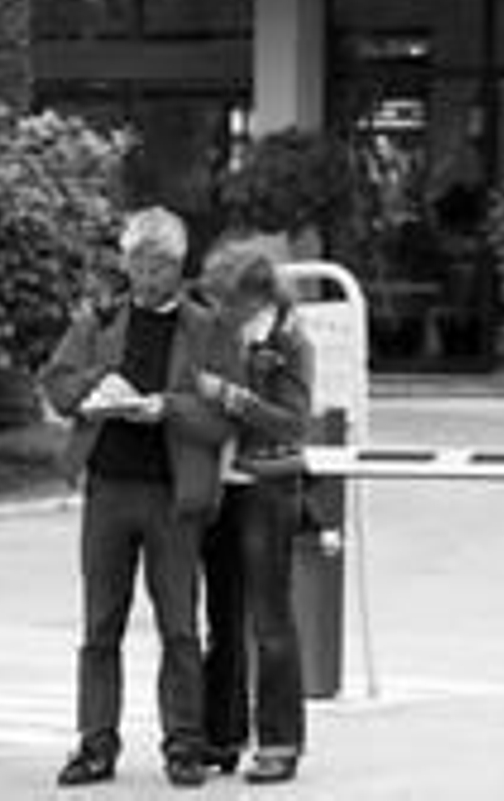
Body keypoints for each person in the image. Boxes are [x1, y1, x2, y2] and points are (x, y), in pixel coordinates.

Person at [39, 206, 238, 789]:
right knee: (101, 625)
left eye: (159, 267)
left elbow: (225, 415)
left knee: (179, 626)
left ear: (179, 267)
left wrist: (167, 409)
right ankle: (95, 743)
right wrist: (96, 387)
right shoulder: (99, 321)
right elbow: (57, 385)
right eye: (138, 265)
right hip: (108, 488)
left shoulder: (208, 329)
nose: (147, 278)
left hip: (172, 495)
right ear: (125, 263)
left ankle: (184, 744)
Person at [196, 238, 314, 785]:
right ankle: (221, 734)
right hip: (222, 487)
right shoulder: (221, 332)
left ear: (255, 295)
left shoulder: (289, 339)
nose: (219, 309)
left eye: (227, 300)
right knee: (222, 617)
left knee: (269, 620)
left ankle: (280, 741)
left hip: (268, 486)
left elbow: (294, 421)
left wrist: (231, 397)